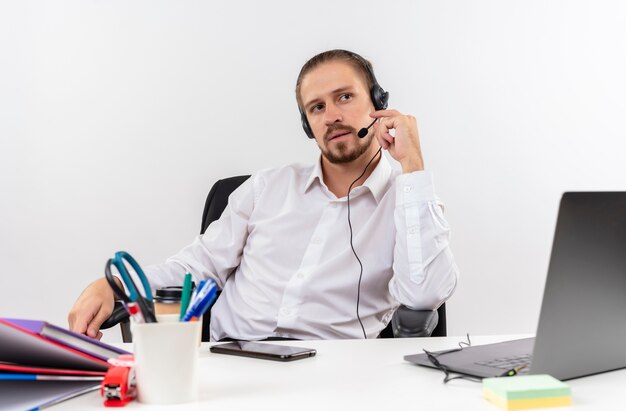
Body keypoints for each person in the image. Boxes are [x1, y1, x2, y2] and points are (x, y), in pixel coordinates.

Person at [68, 49, 459, 341]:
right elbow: (198, 266)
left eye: (344, 97)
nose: (332, 116)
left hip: (335, 376)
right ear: (308, 125)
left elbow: (424, 296)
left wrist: (413, 166)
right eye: (316, 107)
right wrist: (116, 283)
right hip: (229, 362)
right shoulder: (266, 188)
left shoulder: (409, 202)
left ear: (378, 103)